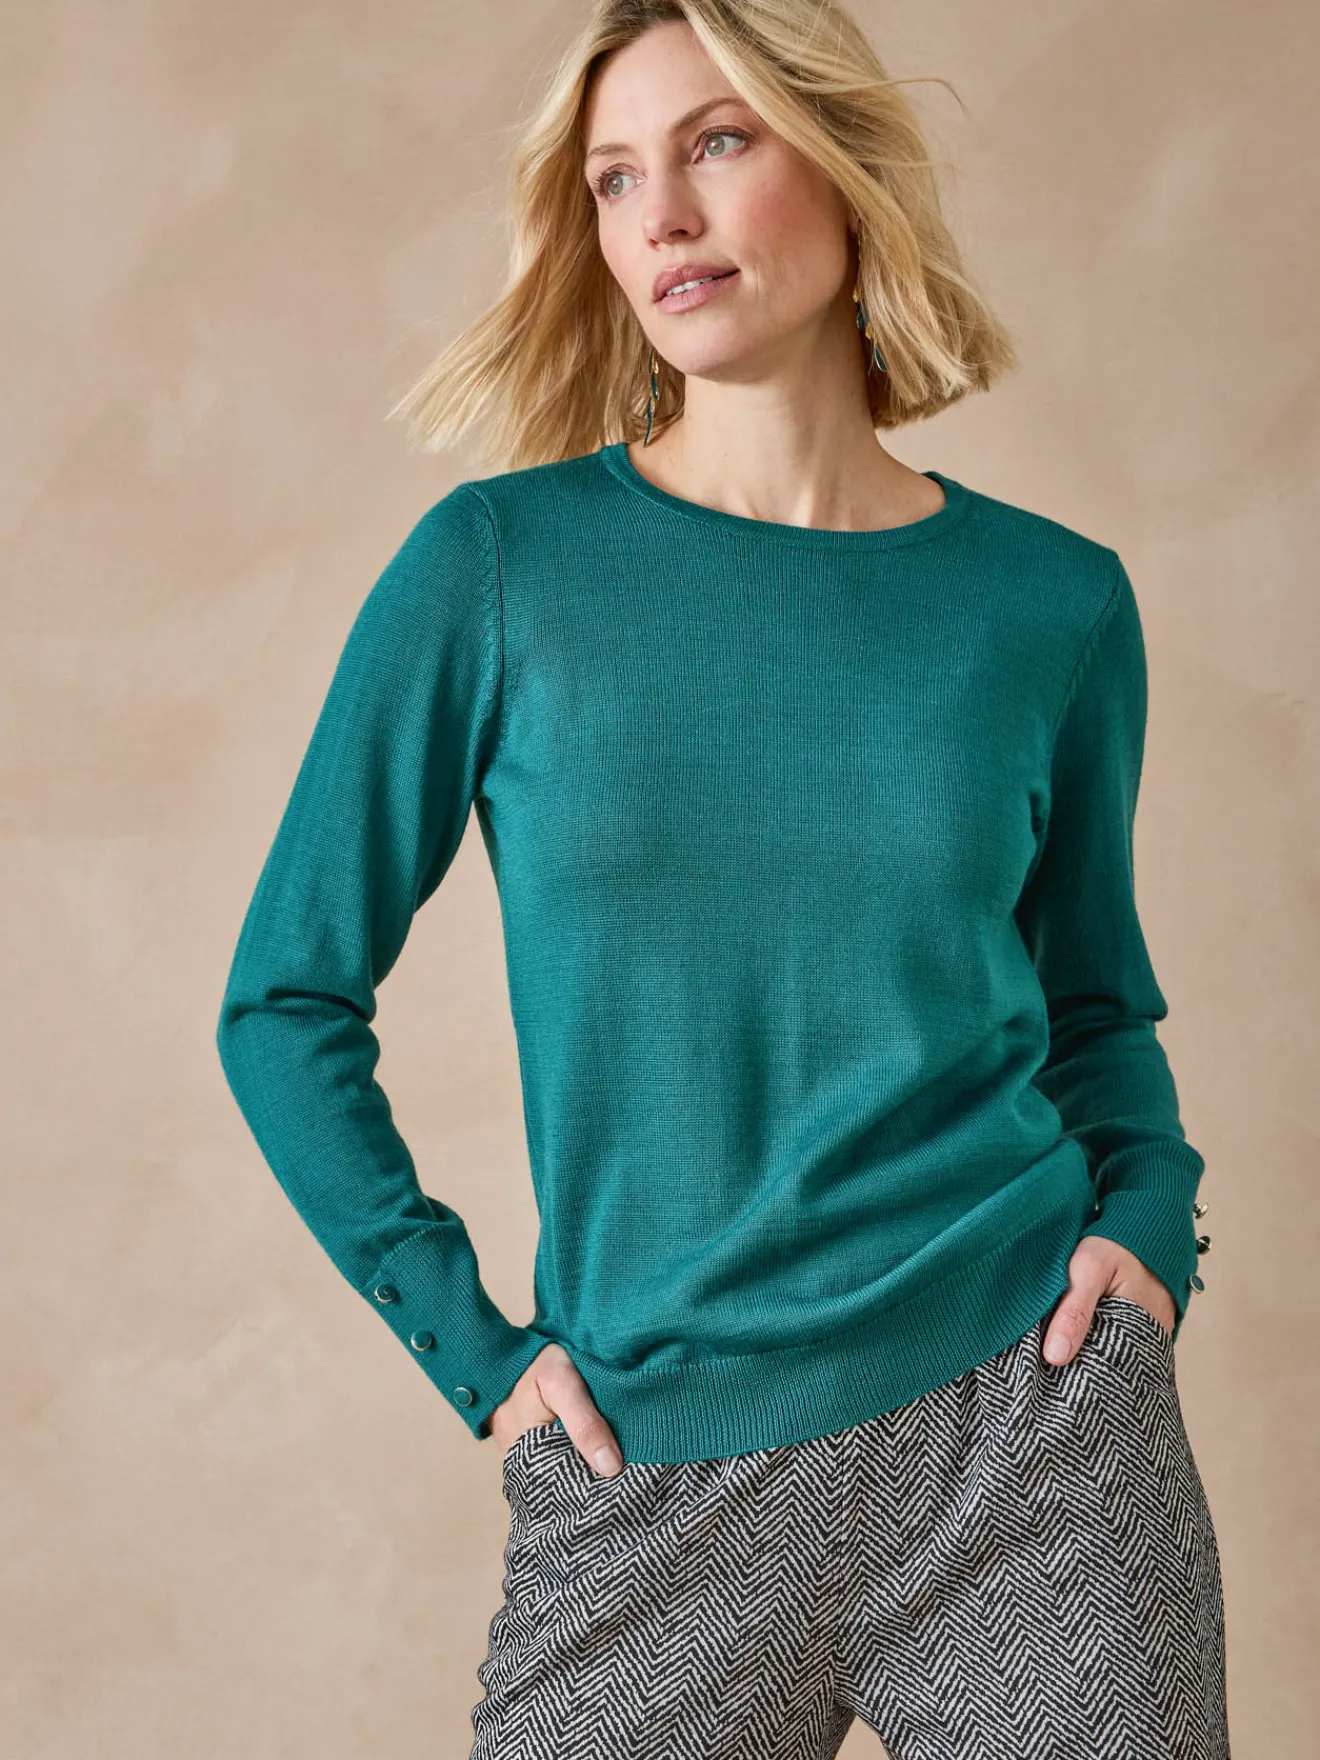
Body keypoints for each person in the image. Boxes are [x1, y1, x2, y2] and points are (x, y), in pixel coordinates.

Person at [215, 1, 1229, 1754]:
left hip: (1036, 1440)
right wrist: (477, 1351)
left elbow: (1094, 1012)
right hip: (653, 1468)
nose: (661, 215)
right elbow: (283, 1005)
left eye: (716, 143)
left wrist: (1147, 1230)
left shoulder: (1051, 605)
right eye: (615, 178)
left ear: (842, 166)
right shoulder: (498, 572)